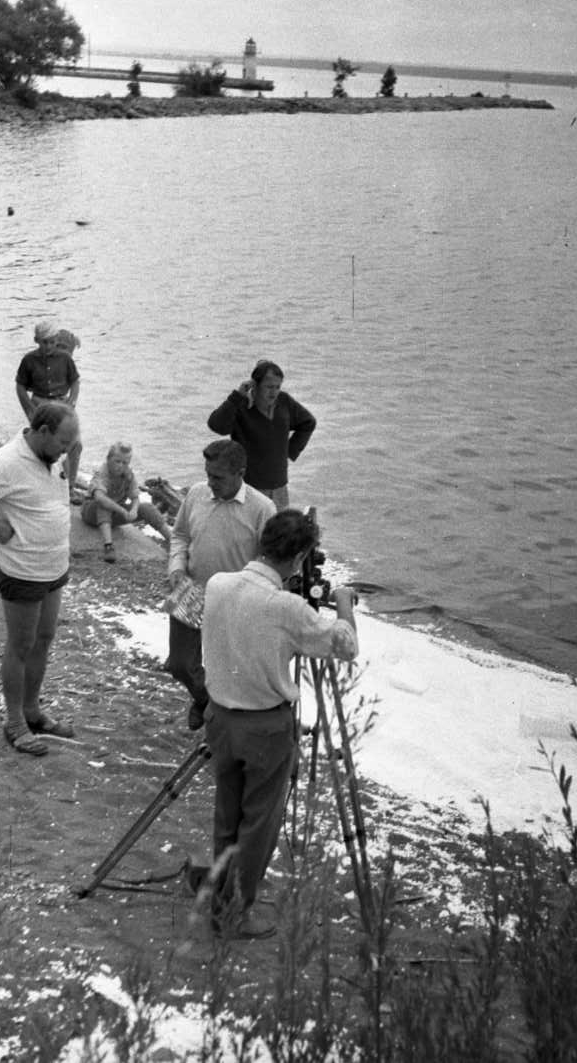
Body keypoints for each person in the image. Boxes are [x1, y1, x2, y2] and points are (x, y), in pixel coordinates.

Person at [201, 508, 358, 939]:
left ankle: (219, 896)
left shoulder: (218, 585)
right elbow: (345, 647)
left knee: (227, 816)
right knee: (258, 825)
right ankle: (235, 911)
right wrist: (343, 603)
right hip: (265, 728)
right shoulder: (286, 608)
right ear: (301, 556)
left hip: (220, 719)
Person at [0, 402, 80, 757]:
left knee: (44, 638)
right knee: (21, 645)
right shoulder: (7, 461)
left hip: (53, 565)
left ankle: (33, 709)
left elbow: (58, 474)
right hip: (22, 568)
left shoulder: (52, 458)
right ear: (42, 432)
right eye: (63, 443)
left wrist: (69, 453)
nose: (66, 451)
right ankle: (15, 721)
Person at [166, 440, 275, 731]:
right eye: (208, 474)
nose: (210, 482)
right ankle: (204, 700)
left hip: (235, 601)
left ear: (240, 473)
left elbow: (270, 562)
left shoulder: (262, 509)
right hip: (191, 590)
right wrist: (176, 567)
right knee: (178, 663)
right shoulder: (196, 494)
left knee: (228, 670)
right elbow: (179, 536)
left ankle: (221, 721)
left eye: (218, 477)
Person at [207, 360, 316, 509]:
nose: (274, 392)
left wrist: (289, 451)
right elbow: (216, 425)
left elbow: (308, 423)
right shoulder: (241, 405)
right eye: (269, 387)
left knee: (280, 531)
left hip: (279, 487)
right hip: (249, 488)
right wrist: (237, 396)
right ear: (255, 385)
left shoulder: (284, 401)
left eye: (277, 387)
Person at [15, 322, 82, 500]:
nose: (49, 346)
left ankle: (70, 487)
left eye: (52, 342)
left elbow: (75, 381)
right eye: (45, 342)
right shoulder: (29, 360)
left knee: (75, 444)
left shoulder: (65, 359)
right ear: (37, 340)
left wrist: (71, 401)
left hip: (61, 402)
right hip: (40, 402)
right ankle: (40, 485)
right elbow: (20, 385)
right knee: (42, 444)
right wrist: (29, 409)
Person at [81, 441, 171, 562]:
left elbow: (135, 496)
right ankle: (108, 546)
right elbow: (100, 497)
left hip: (114, 514)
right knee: (105, 504)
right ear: (108, 459)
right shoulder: (102, 473)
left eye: (125, 463)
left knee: (147, 507)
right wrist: (122, 510)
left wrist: (133, 510)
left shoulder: (128, 474)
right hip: (91, 512)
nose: (121, 466)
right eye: (117, 461)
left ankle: (173, 541)